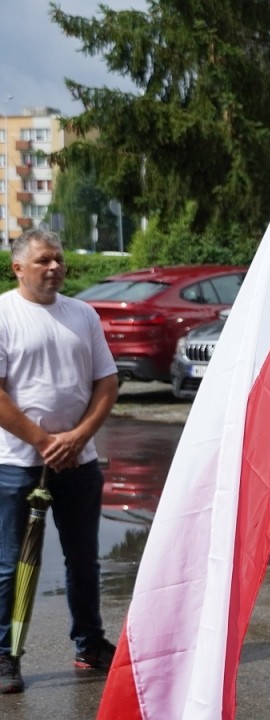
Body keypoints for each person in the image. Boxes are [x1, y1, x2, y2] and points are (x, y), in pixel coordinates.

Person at [0, 229, 119, 694]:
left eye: (59, 259)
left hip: (80, 462)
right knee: (11, 565)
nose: (54, 268)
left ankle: (89, 643)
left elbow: (106, 383)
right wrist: (45, 441)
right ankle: (6, 657)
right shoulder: (5, 313)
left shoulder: (83, 315)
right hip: (15, 462)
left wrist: (78, 437)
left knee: (83, 561)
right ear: (18, 268)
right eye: (43, 260)